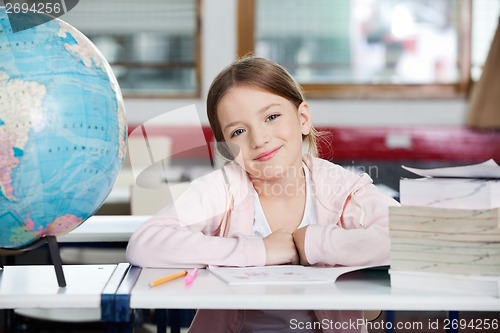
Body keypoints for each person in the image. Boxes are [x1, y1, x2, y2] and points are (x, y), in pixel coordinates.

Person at [126, 56, 399, 333]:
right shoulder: (222, 189)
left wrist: (316, 243)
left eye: (271, 117)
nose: (258, 139)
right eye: (239, 131)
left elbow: (406, 237)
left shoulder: (339, 188)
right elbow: (145, 243)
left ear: (302, 119)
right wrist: (259, 250)